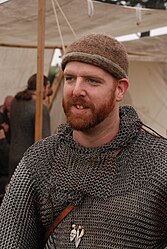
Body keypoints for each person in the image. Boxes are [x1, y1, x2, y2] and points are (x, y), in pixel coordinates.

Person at [0, 33, 167, 249]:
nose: (76, 90)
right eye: (70, 78)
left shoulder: (159, 163)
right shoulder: (39, 160)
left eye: (92, 80)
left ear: (119, 89)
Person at [8, 73, 51, 180]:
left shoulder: (15, 101)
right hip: (29, 163)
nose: (48, 91)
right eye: (48, 87)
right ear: (42, 87)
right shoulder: (40, 108)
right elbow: (46, 141)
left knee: (13, 195)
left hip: (13, 157)